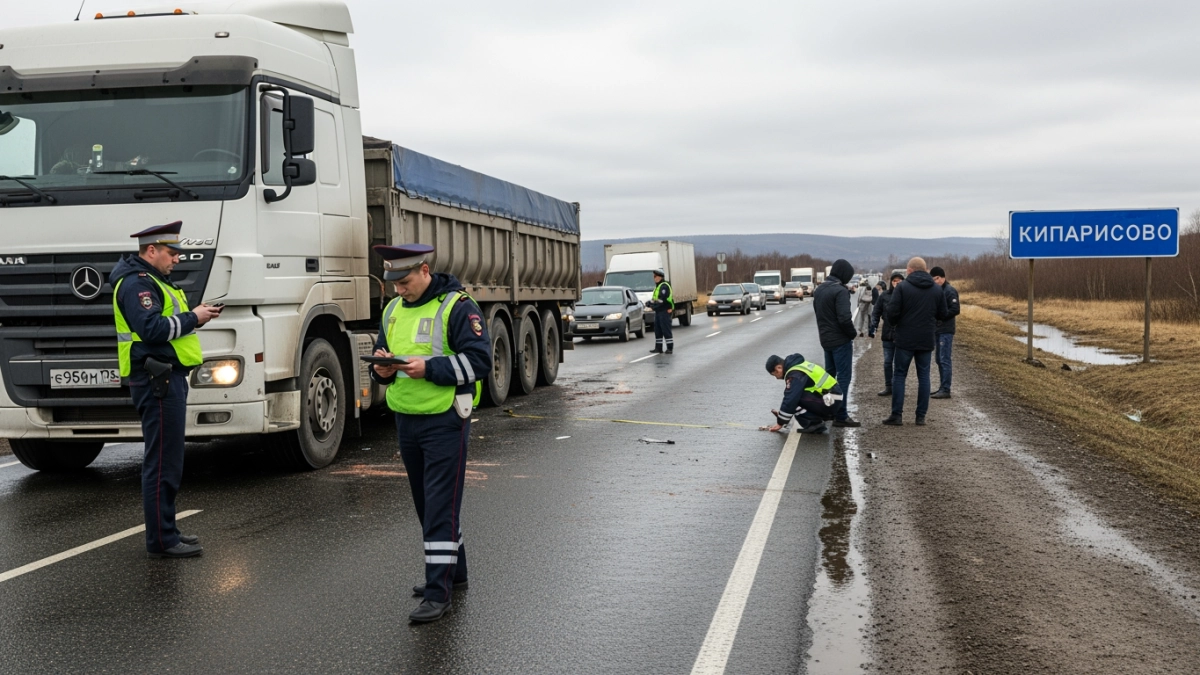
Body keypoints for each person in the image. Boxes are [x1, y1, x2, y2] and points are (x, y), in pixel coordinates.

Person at [369, 243, 492, 623]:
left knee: (440, 506)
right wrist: (382, 370)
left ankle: (437, 593)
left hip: (445, 419)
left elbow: (480, 361)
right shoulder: (391, 310)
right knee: (427, 503)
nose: (398, 290)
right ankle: (455, 573)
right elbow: (380, 356)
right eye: (394, 284)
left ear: (425, 270)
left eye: (405, 282)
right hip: (406, 417)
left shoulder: (457, 306)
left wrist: (431, 368)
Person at [109, 221, 221, 559]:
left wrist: (195, 316)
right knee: (162, 464)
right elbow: (152, 328)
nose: (177, 259)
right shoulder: (136, 284)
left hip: (167, 378)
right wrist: (194, 318)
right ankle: (161, 541)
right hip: (157, 380)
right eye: (172, 253)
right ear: (151, 250)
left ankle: (167, 531)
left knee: (169, 460)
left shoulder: (155, 281)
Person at [883, 257, 947, 426]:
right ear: (926, 270)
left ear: (909, 270)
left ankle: (896, 415)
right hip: (926, 338)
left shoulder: (903, 287)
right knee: (924, 376)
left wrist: (897, 324)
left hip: (905, 338)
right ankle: (920, 416)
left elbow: (892, 313)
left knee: (899, 375)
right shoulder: (936, 289)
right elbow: (943, 314)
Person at [812, 259, 860, 427]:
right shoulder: (840, 291)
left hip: (826, 339)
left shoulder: (820, 290)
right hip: (840, 340)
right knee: (844, 378)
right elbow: (844, 318)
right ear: (844, 275)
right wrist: (852, 334)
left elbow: (818, 313)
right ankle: (841, 415)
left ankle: (828, 411)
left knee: (829, 378)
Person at [764, 354, 845, 435]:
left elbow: (790, 399)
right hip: (832, 399)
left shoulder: (795, 374)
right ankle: (814, 420)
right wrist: (783, 414)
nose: (777, 378)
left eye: (775, 374)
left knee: (794, 397)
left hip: (830, 402)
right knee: (795, 395)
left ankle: (812, 423)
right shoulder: (800, 366)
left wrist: (780, 422)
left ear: (779, 367)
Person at [870, 273, 904, 397]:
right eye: (894, 281)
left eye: (899, 281)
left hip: (902, 334)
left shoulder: (907, 295)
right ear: (891, 282)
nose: (897, 283)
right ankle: (888, 386)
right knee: (887, 362)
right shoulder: (884, 296)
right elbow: (876, 312)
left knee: (899, 363)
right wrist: (873, 326)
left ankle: (898, 387)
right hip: (887, 333)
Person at [930, 266, 960, 399]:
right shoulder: (936, 291)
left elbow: (955, 309)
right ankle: (942, 386)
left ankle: (946, 389)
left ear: (943, 277)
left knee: (944, 359)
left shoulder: (950, 291)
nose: (935, 281)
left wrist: (942, 316)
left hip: (946, 330)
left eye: (937, 278)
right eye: (933, 279)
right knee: (938, 359)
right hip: (937, 329)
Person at [647, 268, 674, 354]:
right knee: (658, 330)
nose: (654, 278)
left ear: (660, 277)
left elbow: (662, 300)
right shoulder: (658, 287)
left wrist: (653, 307)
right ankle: (658, 348)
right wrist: (649, 303)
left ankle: (670, 348)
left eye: (655, 276)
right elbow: (656, 299)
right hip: (659, 311)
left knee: (665, 329)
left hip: (664, 311)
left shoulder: (664, 286)